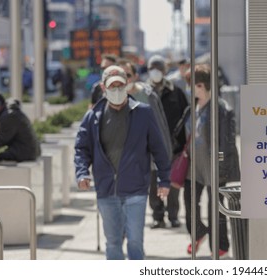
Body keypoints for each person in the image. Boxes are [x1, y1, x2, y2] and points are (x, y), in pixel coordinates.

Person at [74, 65, 171, 260]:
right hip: (106, 190)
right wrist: (82, 172)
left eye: (120, 85)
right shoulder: (93, 117)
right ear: (104, 87)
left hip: (136, 190)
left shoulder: (143, 113)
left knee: (135, 242)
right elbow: (82, 149)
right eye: (112, 86)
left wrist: (164, 180)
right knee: (113, 243)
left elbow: (159, 149)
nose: (117, 90)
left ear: (127, 85)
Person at [183, 64, 240, 257]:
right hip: (193, 166)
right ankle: (199, 232)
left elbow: (227, 141)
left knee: (215, 207)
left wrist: (222, 166)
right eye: (191, 84)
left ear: (206, 85)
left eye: (196, 84)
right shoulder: (192, 108)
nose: (193, 88)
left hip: (214, 165)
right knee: (190, 203)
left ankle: (220, 245)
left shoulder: (221, 108)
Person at [146, 54, 189, 229]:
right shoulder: (144, 91)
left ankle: (173, 215)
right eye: (152, 68)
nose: (155, 71)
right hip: (150, 147)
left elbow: (186, 115)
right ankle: (158, 216)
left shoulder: (176, 92)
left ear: (165, 71)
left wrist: (182, 142)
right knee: (153, 183)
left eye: (159, 67)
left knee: (172, 183)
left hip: (174, 146)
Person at [0, 90, 41, 162]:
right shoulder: (9, 112)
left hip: (25, 152)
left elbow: (2, 140)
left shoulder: (8, 116)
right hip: (27, 150)